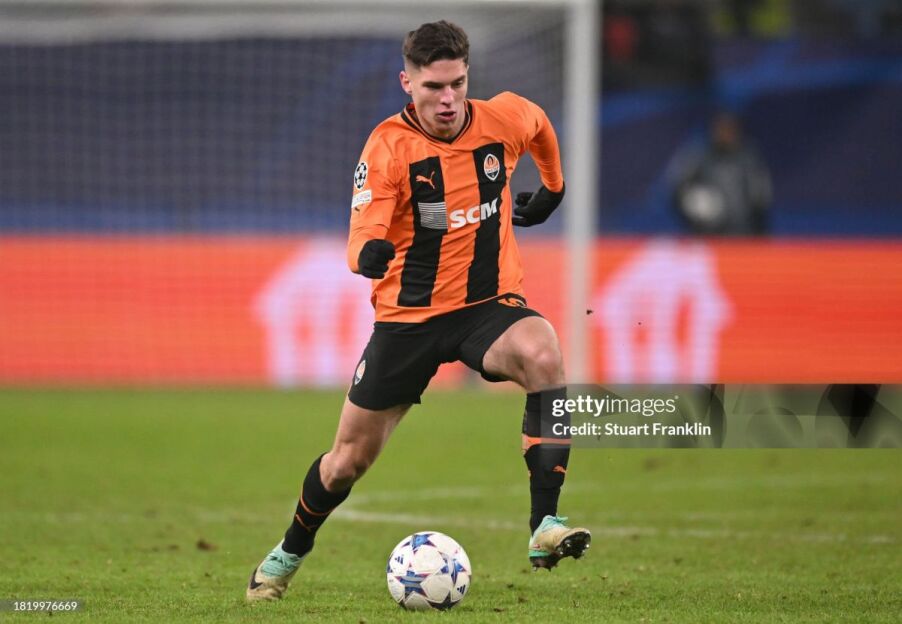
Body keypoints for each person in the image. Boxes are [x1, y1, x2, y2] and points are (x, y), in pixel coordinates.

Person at [246, 20, 590, 602]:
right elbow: (361, 236)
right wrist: (368, 255)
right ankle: (287, 554)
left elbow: (539, 125)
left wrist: (554, 188)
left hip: (486, 306)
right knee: (346, 463)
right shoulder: (387, 148)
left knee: (544, 353)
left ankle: (545, 525)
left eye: (457, 83)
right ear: (408, 83)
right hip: (408, 320)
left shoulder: (503, 118)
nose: (448, 98)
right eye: (434, 87)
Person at [668, 111, 772, 236]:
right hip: (709, 236)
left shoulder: (750, 160)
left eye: (729, 129)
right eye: (721, 129)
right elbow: (677, 193)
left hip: (744, 235)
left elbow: (762, 199)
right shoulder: (699, 158)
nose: (725, 134)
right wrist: (693, 203)